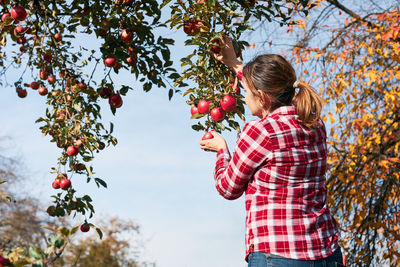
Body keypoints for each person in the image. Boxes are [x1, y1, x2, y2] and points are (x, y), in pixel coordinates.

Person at [199, 36, 345, 267]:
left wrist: (222, 151)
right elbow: (271, 94)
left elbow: (227, 188)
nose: (245, 99)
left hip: (278, 256)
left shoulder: (261, 132)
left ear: (263, 98)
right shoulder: (315, 125)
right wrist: (236, 65)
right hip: (326, 253)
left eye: (247, 93)